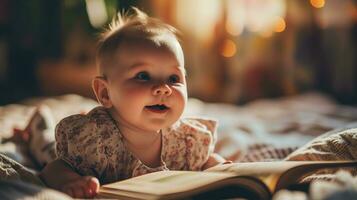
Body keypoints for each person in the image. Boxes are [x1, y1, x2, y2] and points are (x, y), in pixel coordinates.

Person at [39, 7, 229, 198]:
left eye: (173, 78)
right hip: (64, 144)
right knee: (45, 146)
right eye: (143, 76)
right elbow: (53, 168)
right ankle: (36, 127)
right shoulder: (91, 141)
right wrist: (70, 181)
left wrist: (219, 166)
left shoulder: (186, 142)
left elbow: (204, 161)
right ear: (105, 93)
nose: (163, 88)